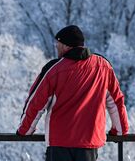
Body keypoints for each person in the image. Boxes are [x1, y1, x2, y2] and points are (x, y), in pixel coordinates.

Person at [16, 25, 129, 161]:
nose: (56, 47)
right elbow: (116, 101)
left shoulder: (54, 69)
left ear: (66, 46)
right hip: (89, 143)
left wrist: (25, 130)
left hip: (59, 143)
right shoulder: (103, 67)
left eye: (58, 43)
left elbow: (36, 103)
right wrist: (120, 130)